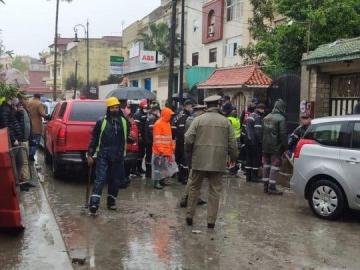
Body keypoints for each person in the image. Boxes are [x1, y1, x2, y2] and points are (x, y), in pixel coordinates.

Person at [185, 95, 238, 228]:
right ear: (218, 105)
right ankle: (211, 221)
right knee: (215, 191)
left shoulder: (198, 120)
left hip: (199, 160)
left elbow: (188, 138)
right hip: (218, 161)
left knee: (194, 187)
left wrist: (190, 152)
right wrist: (233, 157)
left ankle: (190, 216)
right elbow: (233, 143)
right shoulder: (225, 122)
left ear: (206, 106)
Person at [87, 97, 130, 214]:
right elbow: (94, 139)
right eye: (112, 108)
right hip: (103, 155)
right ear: (108, 109)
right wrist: (90, 154)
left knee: (115, 180)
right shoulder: (101, 122)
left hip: (118, 156)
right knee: (100, 179)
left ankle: (111, 203)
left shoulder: (124, 122)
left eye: (117, 107)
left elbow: (126, 137)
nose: (115, 110)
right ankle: (94, 204)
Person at [179, 104, 207, 208]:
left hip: (193, 151)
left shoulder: (192, 119)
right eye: (203, 111)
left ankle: (195, 196)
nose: (204, 113)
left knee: (196, 176)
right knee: (193, 176)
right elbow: (191, 138)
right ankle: (186, 198)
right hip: (194, 152)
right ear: (199, 111)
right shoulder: (194, 120)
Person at [0, 96, 26, 190]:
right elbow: (6, 125)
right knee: (15, 163)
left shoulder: (10, 108)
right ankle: (14, 184)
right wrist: (12, 138)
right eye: (14, 96)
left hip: (17, 139)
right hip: (12, 141)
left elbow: (15, 122)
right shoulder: (4, 109)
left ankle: (17, 182)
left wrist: (19, 112)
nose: (16, 98)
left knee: (20, 162)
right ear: (9, 98)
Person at [262, 99, 287, 195]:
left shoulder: (266, 117)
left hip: (265, 147)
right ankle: (271, 187)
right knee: (274, 167)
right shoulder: (281, 119)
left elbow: (262, 133)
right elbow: (283, 135)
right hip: (276, 148)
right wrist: (285, 147)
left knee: (266, 165)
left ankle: (265, 186)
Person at [152, 107, 178, 190]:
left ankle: (162, 181)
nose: (171, 116)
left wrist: (171, 148)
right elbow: (157, 139)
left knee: (163, 168)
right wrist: (161, 150)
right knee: (158, 168)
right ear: (166, 115)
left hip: (166, 151)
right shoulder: (158, 124)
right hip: (160, 152)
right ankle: (156, 182)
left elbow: (169, 138)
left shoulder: (167, 123)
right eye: (170, 115)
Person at [173, 99, 193, 184]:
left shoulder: (179, 114)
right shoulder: (184, 116)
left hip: (178, 140)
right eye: (191, 106)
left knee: (179, 159)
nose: (192, 108)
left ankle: (180, 176)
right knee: (184, 160)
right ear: (186, 106)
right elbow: (181, 129)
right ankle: (184, 177)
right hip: (182, 141)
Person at [244, 103, 266, 182]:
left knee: (248, 158)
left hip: (247, 140)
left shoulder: (250, 116)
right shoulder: (257, 117)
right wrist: (260, 141)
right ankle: (254, 177)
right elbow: (257, 132)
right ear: (260, 109)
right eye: (263, 109)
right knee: (255, 159)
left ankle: (248, 177)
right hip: (254, 142)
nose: (264, 111)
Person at [26, 93, 48, 161]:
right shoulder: (39, 103)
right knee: (36, 142)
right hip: (36, 126)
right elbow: (42, 113)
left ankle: (29, 154)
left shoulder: (29, 103)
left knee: (31, 141)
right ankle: (31, 155)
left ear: (34, 96)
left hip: (29, 125)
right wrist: (48, 116)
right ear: (39, 97)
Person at [145, 101, 161, 178]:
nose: (159, 112)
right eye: (158, 111)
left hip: (148, 140)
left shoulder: (150, 116)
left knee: (148, 156)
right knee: (150, 156)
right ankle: (149, 173)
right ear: (155, 110)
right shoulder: (153, 118)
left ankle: (148, 173)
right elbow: (152, 131)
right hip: (150, 141)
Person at [133, 99, 148, 175]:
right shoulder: (137, 114)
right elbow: (136, 127)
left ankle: (140, 168)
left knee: (142, 153)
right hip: (140, 137)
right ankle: (136, 169)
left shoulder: (146, 114)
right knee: (139, 153)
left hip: (145, 136)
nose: (145, 109)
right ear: (141, 107)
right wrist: (139, 135)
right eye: (144, 107)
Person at [227, 107, 241, 175]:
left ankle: (232, 169)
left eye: (235, 111)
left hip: (233, 139)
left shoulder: (230, 119)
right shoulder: (236, 119)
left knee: (232, 155)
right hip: (236, 139)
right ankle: (232, 168)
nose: (235, 113)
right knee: (234, 155)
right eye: (234, 111)